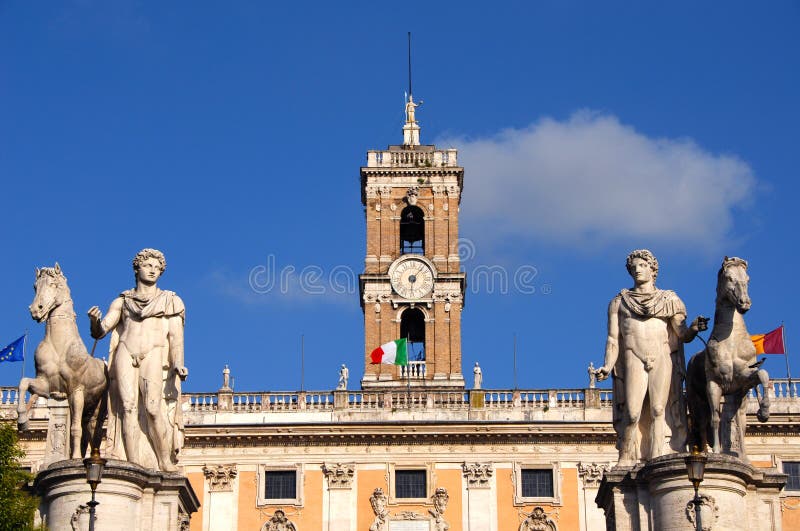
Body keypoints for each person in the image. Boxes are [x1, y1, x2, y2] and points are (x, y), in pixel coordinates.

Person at [596, 250, 707, 465]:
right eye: (634, 267)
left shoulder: (669, 300)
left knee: (659, 409)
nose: (637, 269)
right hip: (632, 357)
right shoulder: (619, 302)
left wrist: (693, 328)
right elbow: (613, 339)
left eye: (642, 265)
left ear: (652, 269)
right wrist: (607, 366)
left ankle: (658, 456)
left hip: (662, 356)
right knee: (632, 412)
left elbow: (682, 334)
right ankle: (627, 457)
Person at [88, 249, 187, 472]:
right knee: (127, 407)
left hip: (153, 352)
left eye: (157, 267)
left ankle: (164, 460)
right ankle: (132, 465)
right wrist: (94, 322)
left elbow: (175, 336)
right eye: (148, 265)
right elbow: (102, 330)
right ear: (137, 268)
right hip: (126, 349)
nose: (152, 270)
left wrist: (178, 363)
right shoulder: (123, 301)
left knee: (153, 408)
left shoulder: (170, 300)